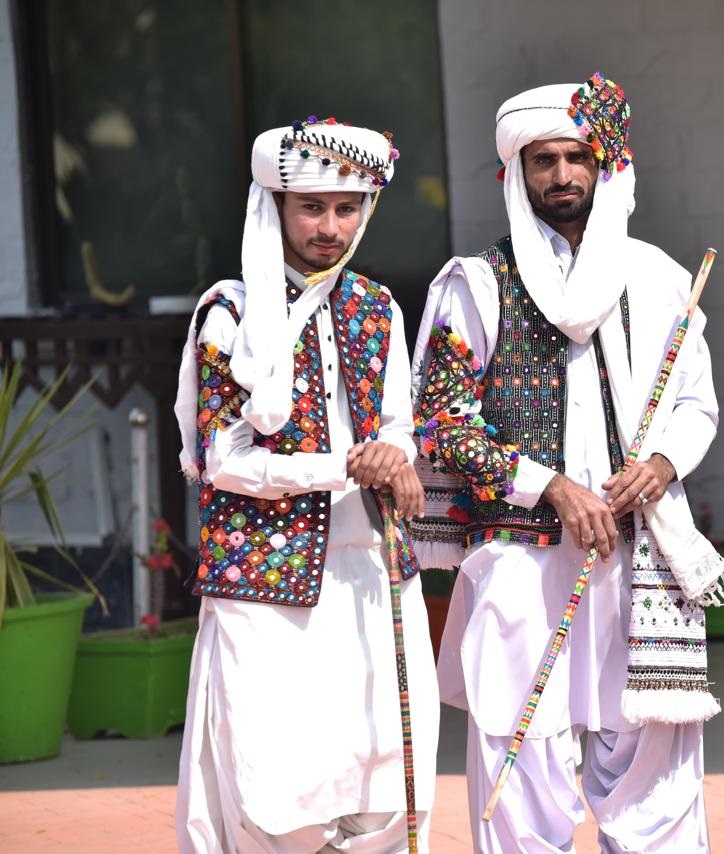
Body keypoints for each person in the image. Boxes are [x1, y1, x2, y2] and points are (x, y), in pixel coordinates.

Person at [409, 73, 724, 852]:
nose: (561, 175)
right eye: (543, 160)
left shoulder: (656, 277)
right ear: (516, 175)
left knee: (650, 763)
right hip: (521, 560)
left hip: (638, 551)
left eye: (576, 156)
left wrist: (659, 462)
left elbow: (696, 402)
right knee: (522, 759)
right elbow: (442, 420)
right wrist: (550, 488)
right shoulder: (477, 284)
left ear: (604, 164)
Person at [173, 117, 438, 852]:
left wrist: (394, 454)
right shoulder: (228, 313)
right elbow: (219, 456)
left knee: (384, 780)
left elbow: (398, 424)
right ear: (276, 207)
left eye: (346, 208)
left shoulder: (377, 306)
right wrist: (348, 465)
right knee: (272, 788)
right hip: (264, 579)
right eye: (312, 207)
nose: (330, 226)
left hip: (370, 567)